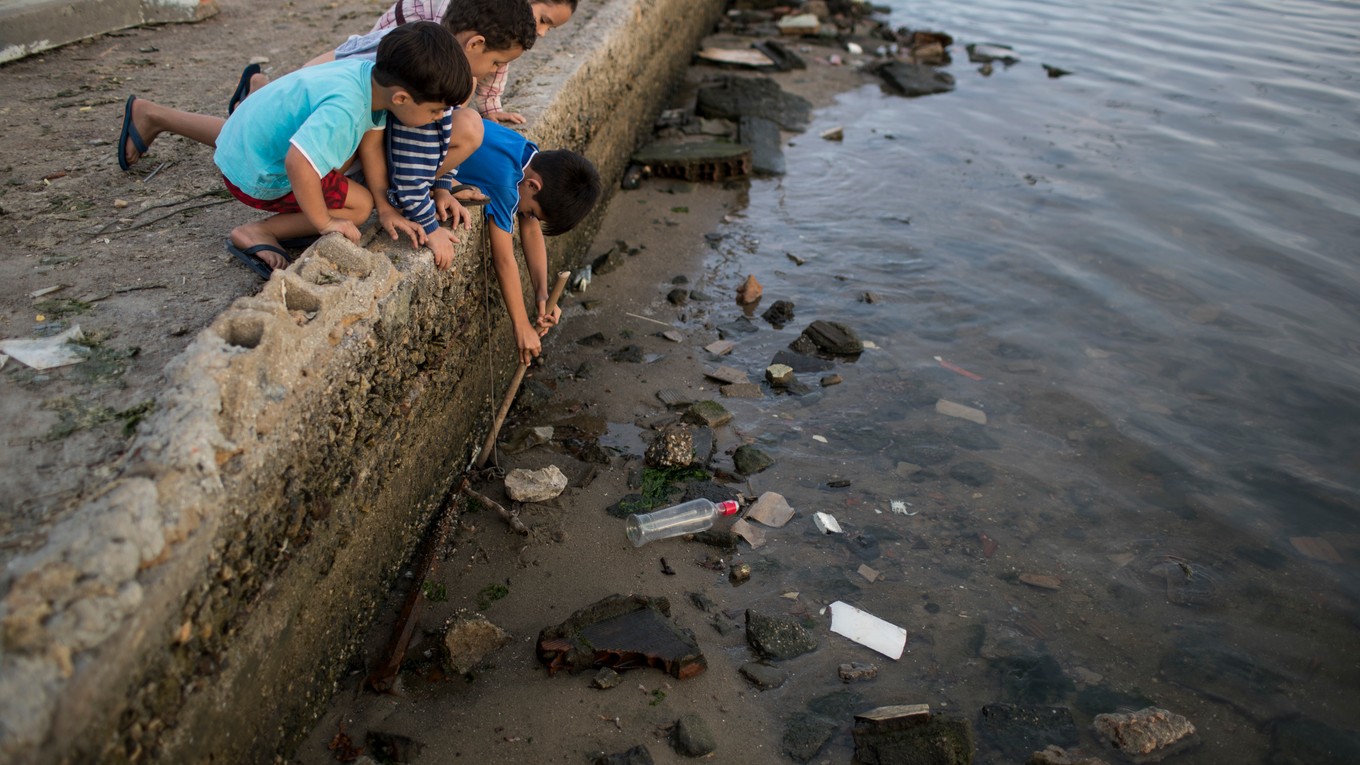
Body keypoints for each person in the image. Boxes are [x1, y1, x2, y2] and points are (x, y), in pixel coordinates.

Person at [117, 22, 472, 279]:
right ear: (402, 98)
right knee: (358, 207)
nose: (438, 119)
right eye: (435, 111)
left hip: (245, 138)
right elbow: (298, 161)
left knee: (366, 191)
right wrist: (325, 222)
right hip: (257, 172)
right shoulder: (347, 109)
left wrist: (388, 208)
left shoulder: (368, 79)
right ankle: (257, 232)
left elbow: (372, 143)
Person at [328, 0, 538, 268]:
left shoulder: (429, 44)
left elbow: (443, 131)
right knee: (468, 127)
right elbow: (409, 168)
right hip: (333, 157)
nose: (496, 70)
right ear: (474, 44)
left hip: (353, 128)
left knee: (467, 122)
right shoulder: (427, 80)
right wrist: (430, 227)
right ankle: (391, 194)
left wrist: (442, 188)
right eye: (497, 62)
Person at [453, 119, 600, 364]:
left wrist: (542, 295)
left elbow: (531, 231)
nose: (529, 217)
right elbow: (503, 258)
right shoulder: (505, 184)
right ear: (533, 186)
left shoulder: (527, 153)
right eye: (532, 212)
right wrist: (521, 325)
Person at [367, 0, 576, 125]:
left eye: (550, 28)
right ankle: (441, 121)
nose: (542, 32)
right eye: (544, 20)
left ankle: (441, 120)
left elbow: (500, 58)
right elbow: (443, 46)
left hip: (425, 52)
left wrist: (490, 107)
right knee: (466, 79)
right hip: (395, 51)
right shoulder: (458, 10)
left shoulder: (503, 15)